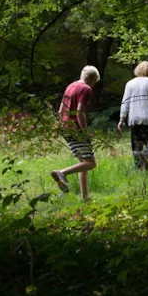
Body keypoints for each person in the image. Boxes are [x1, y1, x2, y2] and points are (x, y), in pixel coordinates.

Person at [50, 65, 100, 201]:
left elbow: (61, 110)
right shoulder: (86, 89)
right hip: (77, 130)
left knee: (82, 162)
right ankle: (62, 173)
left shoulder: (71, 86)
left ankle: (85, 197)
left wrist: (62, 126)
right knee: (91, 163)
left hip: (66, 128)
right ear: (93, 79)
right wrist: (84, 132)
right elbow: (80, 112)